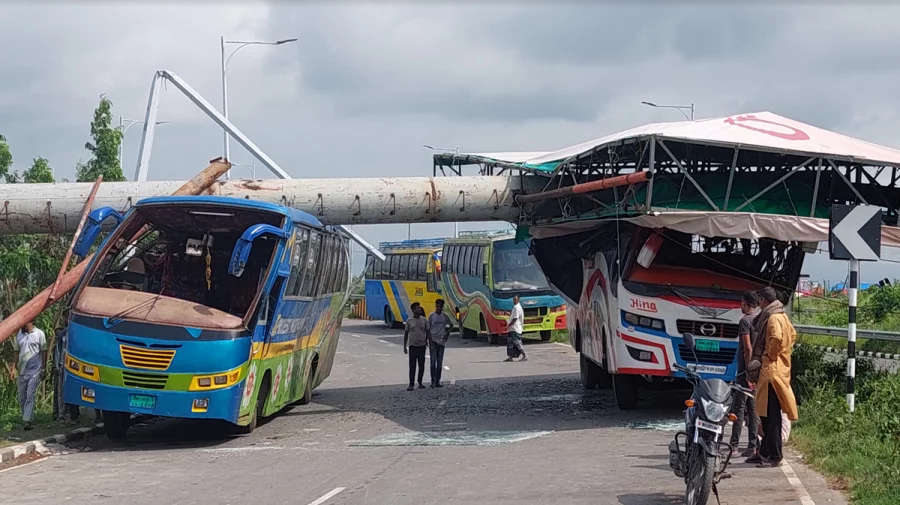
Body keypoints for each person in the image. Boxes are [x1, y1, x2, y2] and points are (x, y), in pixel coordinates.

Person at [747, 286, 799, 467]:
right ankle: (765, 452)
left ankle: (775, 455)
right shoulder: (782, 315)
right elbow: (793, 334)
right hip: (779, 371)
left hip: (771, 372)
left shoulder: (772, 318)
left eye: (759, 300)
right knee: (767, 414)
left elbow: (776, 339)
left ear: (763, 300)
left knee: (770, 416)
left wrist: (770, 355)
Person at [730, 291, 759, 457]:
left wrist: (748, 371)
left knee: (738, 409)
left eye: (742, 303)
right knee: (753, 410)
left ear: (746, 304)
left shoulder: (744, 321)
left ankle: (734, 446)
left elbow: (747, 347)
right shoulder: (759, 321)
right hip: (757, 370)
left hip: (745, 372)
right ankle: (752, 446)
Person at [11, 321, 48, 430]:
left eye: (24, 324)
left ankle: (26, 421)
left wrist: (44, 368)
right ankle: (29, 417)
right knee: (22, 397)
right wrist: (13, 368)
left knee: (30, 394)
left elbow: (44, 351)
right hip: (22, 371)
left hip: (35, 371)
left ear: (30, 322)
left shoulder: (39, 334)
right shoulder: (19, 334)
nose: (22, 325)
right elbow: (16, 351)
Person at [52, 315, 80, 424]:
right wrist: (58, 366)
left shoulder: (77, 333)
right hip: (63, 365)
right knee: (61, 391)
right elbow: (58, 351)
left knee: (73, 390)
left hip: (74, 366)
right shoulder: (62, 334)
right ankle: (61, 414)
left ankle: (73, 414)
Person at [427, 299, 452, 388]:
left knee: (439, 363)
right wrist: (429, 341)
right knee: (433, 363)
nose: (438, 308)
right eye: (437, 306)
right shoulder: (431, 316)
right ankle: (432, 380)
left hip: (441, 342)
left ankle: (437, 381)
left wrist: (447, 334)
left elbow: (451, 325)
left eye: (440, 307)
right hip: (433, 341)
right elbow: (428, 329)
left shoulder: (445, 316)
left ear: (442, 307)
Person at [403, 302, 428, 391]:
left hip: (422, 345)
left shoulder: (424, 320)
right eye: (417, 308)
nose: (420, 309)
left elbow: (427, 331)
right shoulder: (409, 321)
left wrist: (427, 341)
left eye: (420, 308)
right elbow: (406, 333)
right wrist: (404, 346)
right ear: (413, 310)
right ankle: (411, 384)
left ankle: (420, 382)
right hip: (413, 346)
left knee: (421, 365)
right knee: (412, 366)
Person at [504, 295, 527, 362]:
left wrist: (508, 326)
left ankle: (524, 355)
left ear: (518, 300)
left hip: (515, 328)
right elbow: (513, 316)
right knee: (510, 343)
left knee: (517, 342)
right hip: (512, 328)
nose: (513, 301)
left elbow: (515, 318)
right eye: (513, 299)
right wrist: (508, 314)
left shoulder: (517, 308)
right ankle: (510, 357)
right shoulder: (515, 307)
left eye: (515, 299)